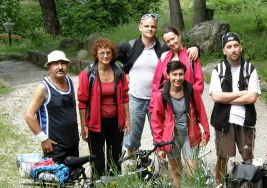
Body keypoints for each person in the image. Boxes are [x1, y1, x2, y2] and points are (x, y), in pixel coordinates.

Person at [117, 14, 199, 157]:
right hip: (135, 97)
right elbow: (108, 57)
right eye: (146, 26)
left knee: (161, 132)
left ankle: (163, 163)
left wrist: (195, 47)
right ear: (140, 27)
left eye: (153, 26)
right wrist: (124, 73)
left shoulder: (163, 47)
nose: (150, 29)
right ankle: (131, 161)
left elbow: (178, 50)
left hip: (159, 99)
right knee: (131, 136)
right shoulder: (129, 45)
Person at [209, 32, 261, 184]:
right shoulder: (218, 70)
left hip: (246, 121)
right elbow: (216, 97)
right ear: (224, 50)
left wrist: (226, 98)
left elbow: (252, 98)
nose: (233, 50)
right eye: (229, 47)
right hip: (224, 121)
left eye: (236, 46)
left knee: (247, 157)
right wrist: (240, 94)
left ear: (241, 47)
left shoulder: (250, 69)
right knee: (222, 157)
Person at [151, 61, 210, 188]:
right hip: (171, 139)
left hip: (190, 136)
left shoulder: (191, 91)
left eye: (181, 74)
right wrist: (158, 145)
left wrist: (206, 133)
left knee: (192, 171)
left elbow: (201, 112)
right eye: (174, 74)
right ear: (168, 75)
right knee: (176, 170)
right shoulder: (161, 95)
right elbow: (156, 121)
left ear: (184, 75)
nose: (178, 78)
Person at [78, 38, 130, 177]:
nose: (105, 56)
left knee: (115, 157)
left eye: (108, 52)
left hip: (115, 121)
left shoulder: (119, 71)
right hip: (95, 123)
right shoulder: (88, 74)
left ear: (113, 54)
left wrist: (127, 120)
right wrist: (84, 126)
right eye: (102, 53)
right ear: (96, 54)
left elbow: (125, 96)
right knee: (97, 159)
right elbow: (82, 102)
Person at [25, 50, 79, 163]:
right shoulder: (43, 88)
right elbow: (29, 116)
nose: (60, 67)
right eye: (55, 63)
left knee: (74, 177)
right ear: (49, 67)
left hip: (73, 141)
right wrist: (43, 139)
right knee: (56, 179)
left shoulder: (69, 81)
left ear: (67, 65)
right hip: (55, 146)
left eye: (63, 63)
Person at [151, 26, 204, 98]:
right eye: (168, 41)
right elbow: (156, 82)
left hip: (188, 100)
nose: (171, 43)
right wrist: (155, 101)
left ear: (179, 36)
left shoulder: (191, 55)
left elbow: (199, 82)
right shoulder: (164, 57)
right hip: (166, 101)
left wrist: (193, 100)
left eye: (173, 38)